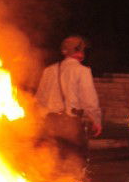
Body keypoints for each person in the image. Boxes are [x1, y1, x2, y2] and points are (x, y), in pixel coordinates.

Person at [35, 34, 101, 171]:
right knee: (74, 162)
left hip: (50, 122)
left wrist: (42, 120)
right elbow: (90, 100)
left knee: (51, 162)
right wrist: (96, 120)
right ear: (81, 52)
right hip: (71, 124)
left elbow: (39, 99)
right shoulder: (82, 71)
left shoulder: (49, 71)